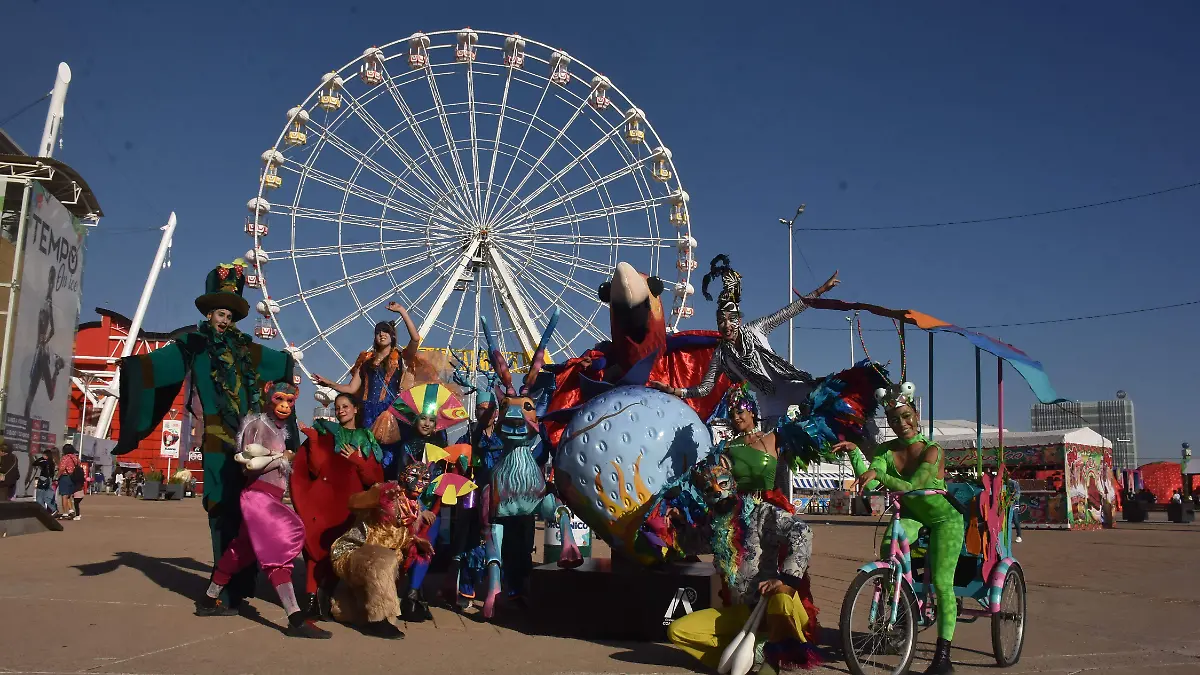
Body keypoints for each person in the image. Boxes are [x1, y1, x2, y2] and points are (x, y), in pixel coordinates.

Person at [114, 259, 297, 615]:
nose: (224, 319)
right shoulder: (194, 345)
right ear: (209, 314)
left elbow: (279, 364)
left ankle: (240, 584)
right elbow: (163, 364)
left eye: (230, 314)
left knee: (250, 514)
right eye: (219, 313)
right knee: (222, 512)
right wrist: (136, 367)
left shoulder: (246, 349)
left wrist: (288, 366)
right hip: (217, 444)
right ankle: (221, 593)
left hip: (250, 446)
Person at [833, 381, 964, 675]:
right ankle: (901, 612)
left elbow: (912, 485)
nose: (901, 424)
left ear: (916, 416)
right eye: (894, 420)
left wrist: (878, 474)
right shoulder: (886, 450)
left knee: (942, 582)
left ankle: (943, 656)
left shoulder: (933, 451)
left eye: (906, 416)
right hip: (913, 515)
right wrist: (855, 453)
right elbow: (872, 479)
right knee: (888, 546)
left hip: (945, 519)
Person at [663, 454, 822, 674]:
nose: (717, 491)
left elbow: (802, 531)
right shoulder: (716, 526)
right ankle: (751, 654)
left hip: (774, 607)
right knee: (678, 631)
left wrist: (785, 578)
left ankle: (773, 658)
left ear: (733, 485)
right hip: (743, 613)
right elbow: (695, 544)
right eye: (709, 489)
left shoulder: (761, 513)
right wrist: (679, 523)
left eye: (723, 484)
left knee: (782, 597)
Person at [196, 381, 329, 639]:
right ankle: (295, 619)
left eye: (290, 401)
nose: (285, 406)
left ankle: (208, 600)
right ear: (268, 398)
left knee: (240, 551)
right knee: (278, 552)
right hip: (259, 498)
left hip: (269, 499)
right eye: (280, 399)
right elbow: (247, 466)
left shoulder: (278, 430)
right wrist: (281, 459)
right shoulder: (257, 426)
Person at [651, 254, 839, 424]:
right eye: (721, 321)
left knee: (831, 403)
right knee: (774, 446)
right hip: (770, 401)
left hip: (792, 384)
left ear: (739, 320)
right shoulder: (721, 355)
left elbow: (789, 311)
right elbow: (705, 388)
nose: (726, 325)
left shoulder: (756, 328)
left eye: (731, 319)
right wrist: (675, 391)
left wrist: (821, 290)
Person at [291, 393, 384, 621]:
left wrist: (357, 460)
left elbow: (374, 478)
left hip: (349, 507)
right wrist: (314, 440)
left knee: (338, 551)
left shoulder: (366, 438)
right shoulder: (327, 434)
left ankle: (326, 595)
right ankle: (311, 599)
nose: (341, 410)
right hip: (324, 501)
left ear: (355, 409)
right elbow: (314, 468)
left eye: (345, 406)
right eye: (337, 407)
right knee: (314, 549)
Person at [312, 301, 420, 479]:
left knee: (390, 454)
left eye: (386, 331)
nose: (382, 334)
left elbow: (415, 339)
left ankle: (387, 486)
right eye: (378, 332)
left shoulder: (400, 357)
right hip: (367, 411)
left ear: (393, 336)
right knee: (365, 451)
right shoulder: (366, 361)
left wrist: (402, 311)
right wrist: (329, 383)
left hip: (390, 412)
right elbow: (351, 388)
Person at [329, 481, 433, 639]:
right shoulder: (385, 491)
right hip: (353, 553)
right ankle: (377, 621)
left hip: (378, 564)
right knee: (384, 559)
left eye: (425, 478)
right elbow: (353, 502)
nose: (419, 482)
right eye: (414, 475)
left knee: (349, 613)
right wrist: (380, 495)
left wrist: (416, 543)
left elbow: (398, 537)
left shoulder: (412, 508)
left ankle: (350, 604)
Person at [26, 267, 66, 419]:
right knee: (32, 389)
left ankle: (56, 370)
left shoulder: (48, 304)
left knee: (38, 390)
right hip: (40, 351)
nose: (51, 282)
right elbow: (51, 330)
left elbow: (53, 330)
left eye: (52, 279)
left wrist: (44, 340)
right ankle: (28, 414)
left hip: (42, 352)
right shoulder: (46, 303)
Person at [26, 449, 57, 513]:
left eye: (43, 455)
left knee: (39, 497)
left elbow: (34, 463)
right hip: (49, 480)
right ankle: (54, 509)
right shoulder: (52, 462)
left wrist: (40, 458)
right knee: (48, 497)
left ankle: (43, 511)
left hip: (43, 479)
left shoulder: (44, 462)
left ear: (46, 455)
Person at [57, 445, 82, 519]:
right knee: (69, 495)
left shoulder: (65, 458)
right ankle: (71, 510)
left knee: (64, 495)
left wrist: (58, 476)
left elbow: (62, 468)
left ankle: (65, 513)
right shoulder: (76, 458)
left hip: (65, 477)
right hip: (74, 478)